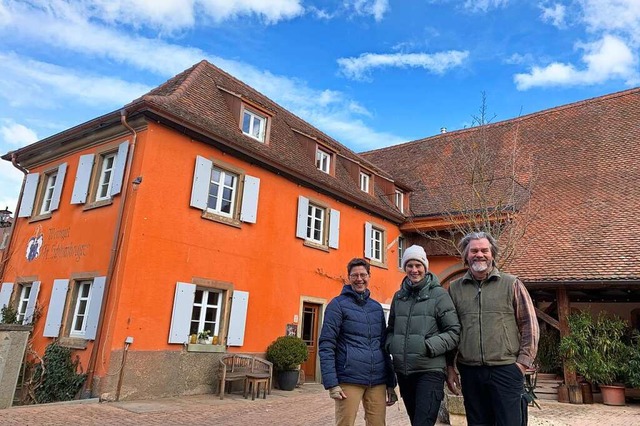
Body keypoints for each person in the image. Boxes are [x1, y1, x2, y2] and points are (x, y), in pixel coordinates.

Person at [446, 231, 539, 426]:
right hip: (470, 372)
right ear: (466, 255)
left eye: (484, 250)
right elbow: (451, 331)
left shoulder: (512, 284)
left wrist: (522, 363)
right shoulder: (455, 289)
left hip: (505, 369)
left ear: (492, 254)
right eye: (474, 250)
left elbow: (529, 326)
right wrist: (450, 367)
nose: (479, 254)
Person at [385, 245, 460, 426]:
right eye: (409, 265)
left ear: (425, 268)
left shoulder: (439, 295)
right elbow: (391, 329)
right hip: (404, 373)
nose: (414, 270)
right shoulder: (399, 297)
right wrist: (392, 344)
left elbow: (454, 332)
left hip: (430, 371)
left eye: (418, 265)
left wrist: (428, 346)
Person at [319, 258, 397, 426]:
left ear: (369, 276)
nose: (359, 279)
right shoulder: (337, 305)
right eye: (355, 275)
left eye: (363, 275)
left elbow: (384, 346)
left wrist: (391, 383)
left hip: (377, 380)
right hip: (349, 379)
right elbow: (326, 344)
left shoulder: (376, 308)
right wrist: (332, 384)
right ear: (349, 277)